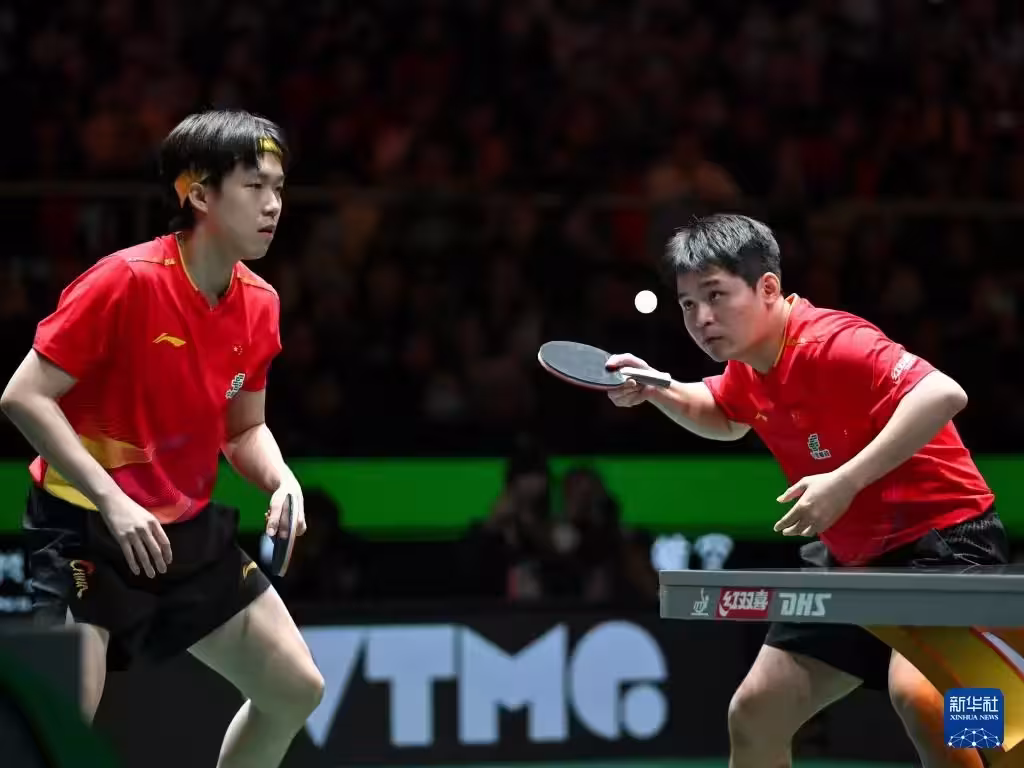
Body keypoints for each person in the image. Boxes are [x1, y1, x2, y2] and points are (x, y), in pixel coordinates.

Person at [606, 214, 1007, 768]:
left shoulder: (835, 341)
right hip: (851, 559)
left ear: (768, 288)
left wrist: (844, 482)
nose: (701, 318)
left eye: (716, 296)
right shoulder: (751, 363)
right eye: (688, 303)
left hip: (946, 547)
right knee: (755, 713)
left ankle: (1000, 726)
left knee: (936, 706)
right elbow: (724, 414)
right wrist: (660, 388)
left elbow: (943, 394)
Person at [0, 109, 324, 768]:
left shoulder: (259, 304)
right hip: (85, 528)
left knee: (295, 688)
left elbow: (245, 428)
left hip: (182, 530)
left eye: (279, 188)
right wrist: (112, 502)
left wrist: (280, 478)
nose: (273, 205)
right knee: (62, 715)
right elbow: (23, 396)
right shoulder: (125, 281)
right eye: (254, 186)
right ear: (199, 195)